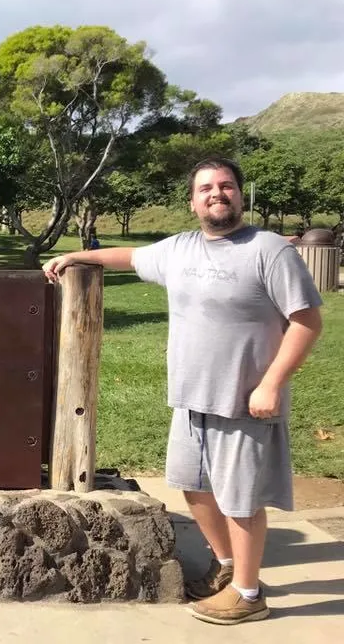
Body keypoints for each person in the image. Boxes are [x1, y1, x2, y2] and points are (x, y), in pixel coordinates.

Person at [43, 157, 322, 625]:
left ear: (239, 194)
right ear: (193, 201)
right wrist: (79, 256)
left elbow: (307, 321)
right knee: (193, 487)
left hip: (245, 401)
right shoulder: (180, 250)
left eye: (226, 185)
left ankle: (249, 593)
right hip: (190, 400)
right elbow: (129, 257)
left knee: (241, 499)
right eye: (206, 188)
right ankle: (228, 567)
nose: (217, 193)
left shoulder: (269, 250)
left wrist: (272, 383)